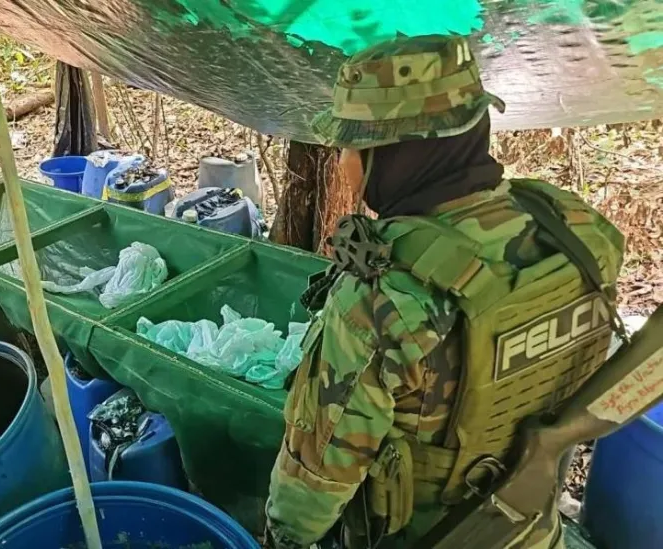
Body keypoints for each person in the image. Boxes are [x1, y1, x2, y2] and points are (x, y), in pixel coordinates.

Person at [265, 35, 625, 549]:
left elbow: (314, 482)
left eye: (349, 146)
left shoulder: (382, 300)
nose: (342, 161)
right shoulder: (579, 231)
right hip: (533, 528)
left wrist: (278, 539)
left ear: (391, 155)